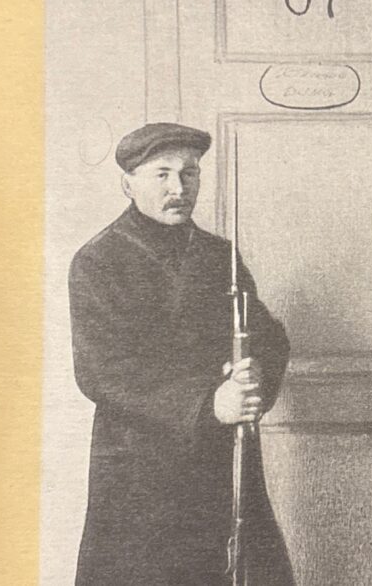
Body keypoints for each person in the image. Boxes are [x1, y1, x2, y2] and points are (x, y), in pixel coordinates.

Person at [69, 122, 295, 585]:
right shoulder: (98, 261)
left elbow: (269, 337)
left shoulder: (219, 256)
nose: (179, 188)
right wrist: (207, 404)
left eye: (189, 174)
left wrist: (256, 374)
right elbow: (101, 371)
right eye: (162, 174)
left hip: (221, 461)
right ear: (128, 184)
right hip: (139, 471)